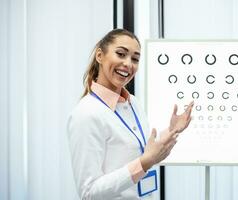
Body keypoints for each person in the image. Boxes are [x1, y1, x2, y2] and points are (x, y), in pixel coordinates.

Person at [67, 28, 194, 200]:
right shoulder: (86, 114)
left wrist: (172, 130)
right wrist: (143, 164)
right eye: (121, 54)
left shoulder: (133, 102)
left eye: (135, 59)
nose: (128, 64)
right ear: (100, 56)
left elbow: (142, 150)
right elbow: (89, 192)